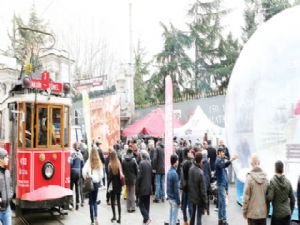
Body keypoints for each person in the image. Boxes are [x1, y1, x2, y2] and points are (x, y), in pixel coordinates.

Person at [242, 155, 268, 225]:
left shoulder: (249, 178)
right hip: (262, 214)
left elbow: (246, 198)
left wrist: (244, 211)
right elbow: (268, 197)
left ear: (251, 164)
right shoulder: (265, 178)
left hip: (252, 214)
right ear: (259, 162)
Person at [266, 160, 295, 225]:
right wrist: (291, 211)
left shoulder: (272, 181)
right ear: (283, 169)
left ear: (275, 169)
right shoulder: (288, 182)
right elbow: (293, 199)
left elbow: (270, 198)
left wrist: (265, 194)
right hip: (287, 214)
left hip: (277, 215)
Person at [215, 147, 237, 225]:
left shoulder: (220, 160)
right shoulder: (218, 161)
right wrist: (231, 160)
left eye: (224, 152)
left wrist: (227, 188)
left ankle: (220, 219)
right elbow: (223, 165)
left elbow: (224, 169)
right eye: (222, 152)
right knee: (223, 203)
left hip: (222, 184)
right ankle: (223, 220)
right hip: (221, 184)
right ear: (219, 153)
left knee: (221, 203)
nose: (224, 153)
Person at [82, 147, 103, 225]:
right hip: (96, 183)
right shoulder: (99, 162)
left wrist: (86, 178)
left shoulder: (88, 162)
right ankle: (96, 217)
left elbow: (83, 171)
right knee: (95, 201)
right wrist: (98, 179)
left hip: (90, 182)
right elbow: (101, 174)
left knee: (91, 202)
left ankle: (92, 221)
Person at [188, 152, 207, 225]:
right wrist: (205, 203)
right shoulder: (200, 172)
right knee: (199, 217)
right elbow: (203, 190)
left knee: (192, 215)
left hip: (192, 196)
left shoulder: (191, 169)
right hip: (199, 198)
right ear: (201, 160)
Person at [136, 150, 152, 225]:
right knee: (147, 204)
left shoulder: (141, 163)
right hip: (148, 187)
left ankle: (147, 218)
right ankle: (146, 220)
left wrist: (137, 186)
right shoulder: (149, 163)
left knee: (140, 204)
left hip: (143, 187)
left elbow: (139, 177)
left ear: (142, 156)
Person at [108, 150, 123, 224]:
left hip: (112, 185)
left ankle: (114, 216)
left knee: (112, 201)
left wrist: (108, 187)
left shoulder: (110, 165)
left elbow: (109, 177)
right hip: (119, 185)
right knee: (119, 202)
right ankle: (119, 218)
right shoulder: (119, 163)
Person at [122, 148, 138, 212]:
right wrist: (135, 176)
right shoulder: (133, 161)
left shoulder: (123, 161)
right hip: (132, 179)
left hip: (126, 178)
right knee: (132, 193)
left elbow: (123, 170)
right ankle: (133, 207)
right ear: (131, 153)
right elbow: (136, 171)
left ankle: (128, 208)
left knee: (128, 193)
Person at [180, 147, 193, 225]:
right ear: (187, 153)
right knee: (189, 205)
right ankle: (191, 220)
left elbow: (182, 176)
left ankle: (185, 220)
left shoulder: (183, 162)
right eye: (190, 152)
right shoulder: (188, 162)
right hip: (188, 186)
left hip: (184, 186)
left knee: (184, 205)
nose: (191, 153)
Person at [167, 154, 180, 225]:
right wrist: (178, 201)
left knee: (171, 218)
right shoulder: (175, 174)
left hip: (170, 198)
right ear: (175, 162)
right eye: (177, 160)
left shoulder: (169, 172)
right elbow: (176, 190)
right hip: (174, 199)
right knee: (174, 220)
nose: (178, 162)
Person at [70, 142, 84, 210]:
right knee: (77, 188)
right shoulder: (80, 154)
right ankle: (77, 203)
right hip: (78, 172)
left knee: (71, 188)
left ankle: (71, 203)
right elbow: (82, 164)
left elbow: (70, 163)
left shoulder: (72, 154)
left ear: (73, 147)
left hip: (72, 171)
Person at [0, 148, 12, 225]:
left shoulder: (7, 172)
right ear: (0, 159)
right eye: (6, 157)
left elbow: (11, 187)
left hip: (7, 209)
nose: (8, 159)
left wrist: (10, 196)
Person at [201, 149, 211, 215]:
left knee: (202, 196)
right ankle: (207, 210)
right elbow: (209, 172)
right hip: (207, 181)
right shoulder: (207, 162)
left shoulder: (200, 162)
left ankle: (202, 210)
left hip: (202, 181)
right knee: (207, 196)